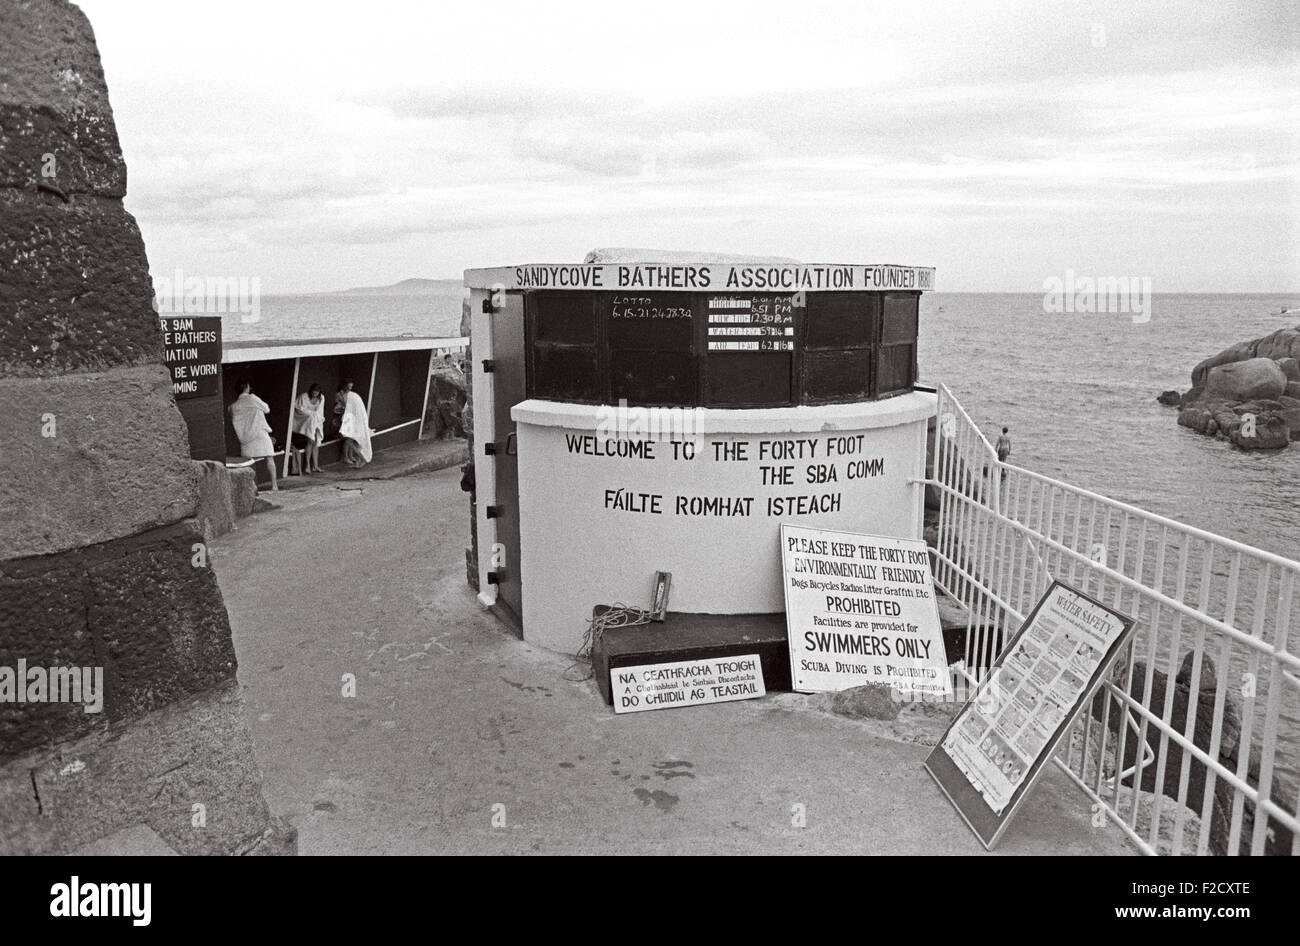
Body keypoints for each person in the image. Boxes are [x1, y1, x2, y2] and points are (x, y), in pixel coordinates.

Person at [229, 381, 278, 491]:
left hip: (245, 437)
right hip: (259, 433)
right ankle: (274, 485)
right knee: (269, 458)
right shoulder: (252, 398)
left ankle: (252, 487)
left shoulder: (233, 406)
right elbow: (267, 409)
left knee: (249, 462)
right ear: (246, 388)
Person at [292, 383, 326, 473]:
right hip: (305, 422)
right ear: (311, 390)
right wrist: (310, 415)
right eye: (314, 391)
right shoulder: (304, 397)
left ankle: (315, 466)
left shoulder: (321, 398)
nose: (315, 393)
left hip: (315, 422)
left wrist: (318, 421)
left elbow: (320, 412)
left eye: (317, 391)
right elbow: (297, 409)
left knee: (316, 443)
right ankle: (307, 466)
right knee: (310, 441)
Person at [339, 385, 372, 468]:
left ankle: (362, 458)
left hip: (353, 421)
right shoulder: (354, 396)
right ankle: (358, 462)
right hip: (355, 421)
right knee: (354, 441)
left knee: (350, 441)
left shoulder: (349, 396)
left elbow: (347, 409)